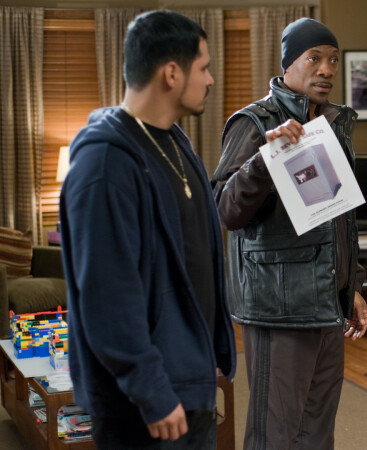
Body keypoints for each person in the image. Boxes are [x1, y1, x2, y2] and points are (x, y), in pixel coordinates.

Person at [59, 10, 236, 449]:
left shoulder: (176, 141)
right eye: (204, 68)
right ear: (171, 73)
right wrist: (151, 390)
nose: (211, 80)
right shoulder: (104, 164)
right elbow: (106, 296)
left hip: (188, 380)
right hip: (144, 403)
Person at [210, 18, 367, 449]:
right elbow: (225, 210)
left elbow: (339, 217)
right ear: (288, 64)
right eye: (314, 58)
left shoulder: (334, 123)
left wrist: (351, 286)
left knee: (317, 432)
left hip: (327, 304)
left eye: (333, 60)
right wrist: (266, 158)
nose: (327, 69)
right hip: (278, 306)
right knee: (274, 434)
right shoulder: (253, 123)